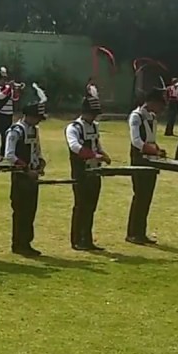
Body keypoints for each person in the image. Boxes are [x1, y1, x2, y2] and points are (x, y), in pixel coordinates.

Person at [4, 85, 47, 257]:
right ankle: (18, 244)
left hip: (32, 176)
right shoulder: (16, 130)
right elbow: (9, 155)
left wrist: (41, 163)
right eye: (36, 117)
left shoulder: (34, 130)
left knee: (31, 211)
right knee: (21, 211)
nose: (38, 121)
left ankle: (27, 242)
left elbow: (36, 150)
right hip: (21, 177)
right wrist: (26, 169)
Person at [67, 86, 111, 252]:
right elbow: (75, 147)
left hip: (95, 172)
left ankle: (87, 238)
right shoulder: (74, 128)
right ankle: (77, 239)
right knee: (81, 205)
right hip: (81, 172)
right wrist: (94, 155)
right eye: (92, 113)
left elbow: (97, 145)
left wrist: (103, 155)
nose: (94, 116)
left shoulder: (94, 126)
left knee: (91, 206)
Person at [127, 89, 166, 245]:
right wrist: (153, 150)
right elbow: (136, 141)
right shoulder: (136, 116)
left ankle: (141, 232)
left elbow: (151, 139)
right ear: (151, 102)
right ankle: (132, 233)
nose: (161, 109)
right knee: (139, 196)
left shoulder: (152, 118)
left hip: (151, 160)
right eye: (159, 105)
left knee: (147, 197)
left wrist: (158, 149)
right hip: (139, 160)